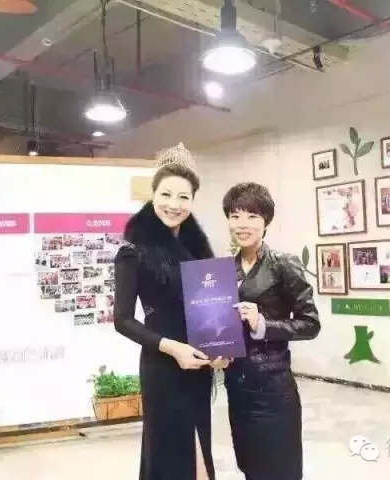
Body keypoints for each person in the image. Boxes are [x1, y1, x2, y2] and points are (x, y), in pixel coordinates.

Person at [113, 161, 230, 480]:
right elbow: (122, 320)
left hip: (198, 365)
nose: (174, 204)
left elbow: (212, 310)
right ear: (153, 195)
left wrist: (221, 347)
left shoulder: (198, 250)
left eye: (183, 197)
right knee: (173, 452)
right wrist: (172, 348)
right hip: (163, 365)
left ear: (193, 201)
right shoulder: (133, 252)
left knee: (198, 446)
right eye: (166, 194)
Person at [222, 182, 321, 480]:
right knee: (250, 467)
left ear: (266, 221)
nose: (242, 224)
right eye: (235, 216)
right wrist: (216, 350)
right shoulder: (223, 270)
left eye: (252, 216)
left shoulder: (283, 265)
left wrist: (263, 324)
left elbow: (310, 323)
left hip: (273, 390)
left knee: (279, 471)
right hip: (237, 387)